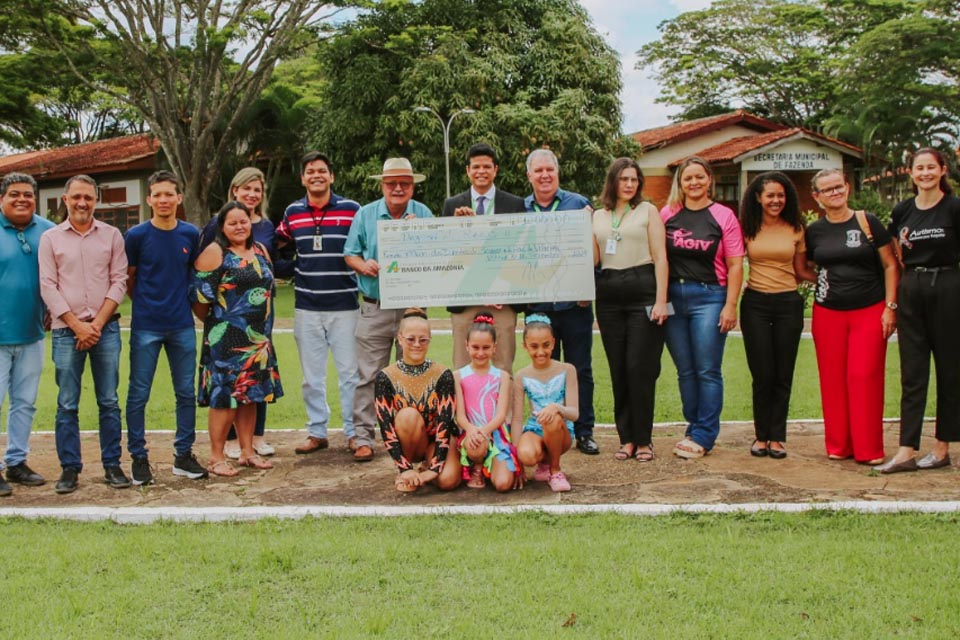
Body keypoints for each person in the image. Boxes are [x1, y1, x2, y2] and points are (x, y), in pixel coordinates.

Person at [39, 174, 129, 493]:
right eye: (76, 197)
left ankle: (112, 465)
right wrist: (78, 326)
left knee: (108, 400)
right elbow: (48, 286)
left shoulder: (112, 236)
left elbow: (119, 280)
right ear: (65, 199)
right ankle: (69, 468)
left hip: (105, 329)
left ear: (96, 200)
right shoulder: (50, 239)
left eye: (88, 198)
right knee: (67, 403)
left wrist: (96, 325)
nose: (82, 203)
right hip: (67, 331)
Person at [805, 168, 899, 465]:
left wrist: (890, 307)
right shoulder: (814, 231)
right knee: (832, 379)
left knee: (863, 376)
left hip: (869, 309)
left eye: (839, 186)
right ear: (817, 197)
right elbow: (807, 266)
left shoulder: (866, 221)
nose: (835, 192)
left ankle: (869, 449)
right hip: (828, 312)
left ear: (847, 188)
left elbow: (891, 265)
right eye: (827, 190)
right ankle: (839, 445)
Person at [875, 148, 960, 473]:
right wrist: (893, 304)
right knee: (913, 372)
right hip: (913, 289)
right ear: (910, 173)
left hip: (949, 286)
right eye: (918, 168)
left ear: (942, 170)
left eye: (930, 167)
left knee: (949, 371)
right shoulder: (902, 210)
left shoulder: (953, 208)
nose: (924, 173)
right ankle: (906, 450)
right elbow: (897, 257)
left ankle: (941, 449)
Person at [344, 158, 433, 462]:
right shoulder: (366, 214)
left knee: (411, 373)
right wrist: (363, 265)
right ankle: (363, 437)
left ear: (412, 186)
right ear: (382, 185)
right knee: (369, 374)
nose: (398, 188)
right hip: (375, 306)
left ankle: (409, 436)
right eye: (392, 183)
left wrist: (419, 234)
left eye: (404, 183)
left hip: (412, 309)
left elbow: (438, 253)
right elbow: (350, 254)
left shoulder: (423, 214)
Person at [124, 170, 208, 484]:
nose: (163, 200)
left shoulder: (190, 234)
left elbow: (194, 277)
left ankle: (183, 455)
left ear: (178, 197)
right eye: (157, 194)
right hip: (146, 325)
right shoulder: (136, 236)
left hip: (182, 325)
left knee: (186, 393)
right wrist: (147, 304)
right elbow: (130, 278)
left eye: (168, 194)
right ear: (149, 199)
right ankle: (138, 458)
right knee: (138, 394)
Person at [276, 153, 362, 456]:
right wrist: (291, 269)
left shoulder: (352, 210)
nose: (316, 175)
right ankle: (317, 431)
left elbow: (367, 243)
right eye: (310, 171)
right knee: (312, 377)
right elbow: (278, 245)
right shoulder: (292, 212)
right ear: (303, 178)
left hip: (346, 305)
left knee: (351, 374)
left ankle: (355, 433)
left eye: (322, 171)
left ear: (332, 176)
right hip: (306, 306)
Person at [660, 157, 744, 459]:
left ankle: (704, 434)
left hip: (710, 296)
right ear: (680, 183)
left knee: (707, 368)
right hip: (672, 296)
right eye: (687, 178)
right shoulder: (668, 213)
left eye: (699, 177)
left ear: (710, 179)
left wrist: (730, 305)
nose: (693, 183)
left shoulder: (724, 216)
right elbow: (659, 259)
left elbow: (735, 265)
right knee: (685, 370)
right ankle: (694, 426)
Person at [192, 201, 283, 477]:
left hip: (258, 339)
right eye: (232, 222)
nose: (239, 226)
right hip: (226, 340)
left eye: (243, 221)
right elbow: (199, 300)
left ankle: (247, 451)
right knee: (225, 398)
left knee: (250, 395)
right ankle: (217, 456)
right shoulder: (215, 252)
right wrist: (222, 325)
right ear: (222, 227)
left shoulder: (261, 251)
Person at [592, 158, 668, 462]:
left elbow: (661, 258)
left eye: (634, 179)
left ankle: (644, 440)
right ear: (613, 181)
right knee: (619, 368)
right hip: (609, 295)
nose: (629, 184)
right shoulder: (597, 215)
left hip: (644, 290)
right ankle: (626, 439)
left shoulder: (648, 211)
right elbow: (594, 259)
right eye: (623, 179)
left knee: (640, 367)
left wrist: (661, 300)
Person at [523, 148, 598, 456]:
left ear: (558, 172)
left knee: (580, 369)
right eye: (538, 170)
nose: (544, 175)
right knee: (544, 371)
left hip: (574, 305)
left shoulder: (579, 205)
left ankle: (584, 431)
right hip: (538, 307)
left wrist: (587, 285)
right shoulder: (519, 209)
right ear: (529, 175)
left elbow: (592, 256)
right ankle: (543, 428)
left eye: (549, 170)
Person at [738, 171, 816, 459]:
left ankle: (778, 438)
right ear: (758, 197)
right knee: (763, 374)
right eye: (770, 195)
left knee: (783, 373)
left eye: (781, 195)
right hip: (755, 304)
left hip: (788, 304)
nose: (776, 200)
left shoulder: (796, 227)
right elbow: (732, 263)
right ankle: (761, 436)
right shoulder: (746, 226)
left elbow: (801, 270)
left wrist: (833, 278)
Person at [442, 143, 526, 371]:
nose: (481, 171)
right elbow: (447, 253)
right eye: (476, 167)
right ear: (468, 170)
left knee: (503, 363)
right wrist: (458, 227)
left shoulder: (515, 204)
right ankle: (464, 409)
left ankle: (503, 408)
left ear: (495, 169)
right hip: (465, 297)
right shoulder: (452, 205)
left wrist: (503, 286)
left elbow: (520, 251)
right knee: (462, 364)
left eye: (486, 166)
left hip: (502, 300)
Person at [0, 173, 55, 496]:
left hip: (33, 334)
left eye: (28, 195)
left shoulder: (47, 231)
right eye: (14, 195)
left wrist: (55, 307)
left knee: (25, 402)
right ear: (2, 199)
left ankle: (17, 461)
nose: (22, 199)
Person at [376, 308, 460, 492]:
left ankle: (423, 471)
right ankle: (407, 472)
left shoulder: (442, 374)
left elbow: (445, 425)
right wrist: (404, 468)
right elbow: (386, 427)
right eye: (410, 339)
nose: (417, 344)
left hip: (436, 441)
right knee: (407, 415)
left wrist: (435, 470)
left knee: (448, 481)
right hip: (411, 439)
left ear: (430, 339)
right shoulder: (386, 377)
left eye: (423, 340)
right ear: (400, 338)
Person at [453, 312, 521, 492]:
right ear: (466, 346)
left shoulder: (502, 377)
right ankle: (476, 467)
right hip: (470, 433)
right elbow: (460, 416)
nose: (480, 353)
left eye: (486, 347)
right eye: (475, 347)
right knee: (476, 446)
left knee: (503, 484)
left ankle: (493, 466)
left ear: (494, 348)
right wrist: (472, 431)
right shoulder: (458, 376)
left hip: (495, 433)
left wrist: (485, 431)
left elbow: (501, 415)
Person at [512, 314, 578, 492]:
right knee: (526, 454)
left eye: (546, 345)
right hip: (535, 429)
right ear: (525, 346)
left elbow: (574, 413)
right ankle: (543, 463)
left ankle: (555, 470)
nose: (540, 352)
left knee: (551, 419)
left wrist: (556, 408)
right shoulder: (521, 375)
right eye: (534, 346)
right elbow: (517, 419)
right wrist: (517, 463)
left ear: (553, 343)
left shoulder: (567, 369)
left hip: (560, 430)